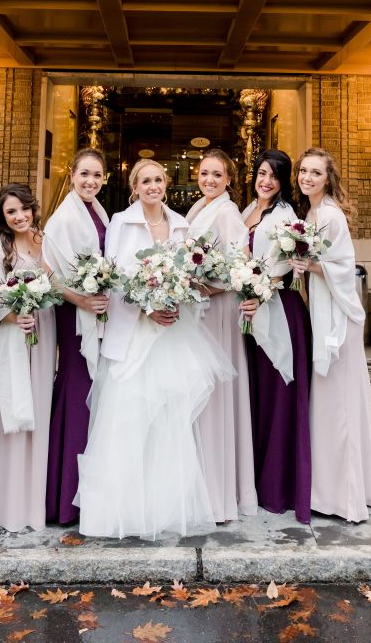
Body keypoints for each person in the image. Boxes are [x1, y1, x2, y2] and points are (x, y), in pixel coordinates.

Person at [77, 159, 234, 540]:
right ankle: (123, 512)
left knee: (169, 423)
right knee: (129, 419)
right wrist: (146, 305)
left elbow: (190, 276)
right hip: (134, 333)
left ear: (167, 184)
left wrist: (176, 300)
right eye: (145, 181)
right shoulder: (120, 222)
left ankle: (163, 509)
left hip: (172, 335)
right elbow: (113, 277)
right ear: (134, 187)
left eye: (158, 180)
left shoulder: (181, 224)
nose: (153, 186)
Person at [292, 147, 371, 523]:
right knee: (328, 405)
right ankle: (330, 489)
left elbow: (344, 268)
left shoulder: (329, 215)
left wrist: (308, 264)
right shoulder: (310, 213)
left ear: (328, 178)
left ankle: (344, 498)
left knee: (338, 404)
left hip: (337, 322)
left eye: (316, 172)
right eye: (303, 171)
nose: (307, 177)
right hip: (322, 314)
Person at [0, 184, 56, 533]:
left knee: (36, 409)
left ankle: (29, 501)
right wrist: (11, 316)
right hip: (4, 340)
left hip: (40, 338)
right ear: (3, 219)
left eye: (24, 210)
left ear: (33, 208)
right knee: (0, 415)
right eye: (11, 213)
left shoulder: (47, 241)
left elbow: (58, 283)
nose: (19, 217)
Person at [241, 149, 312, 524]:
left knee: (276, 399)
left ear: (283, 183)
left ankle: (277, 486)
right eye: (261, 173)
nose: (265, 181)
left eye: (274, 176)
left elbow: (281, 269)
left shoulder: (286, 217)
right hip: (252, 310)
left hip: (278, 311)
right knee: (256, 398)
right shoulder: (247, 209)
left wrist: (255, 293)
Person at [186, 149, 257, 523]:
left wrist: (206, 288)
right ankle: (200, 483)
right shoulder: (200, 208)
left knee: (214, 394)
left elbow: (239, 265)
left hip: (217, 309)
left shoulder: (228, 213)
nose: (209, 180)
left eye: (217, 175)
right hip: (200, 310)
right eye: (204, 173)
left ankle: (217, 493)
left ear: (229, 179)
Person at [42, 147, 110, 524]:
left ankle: (88, 490)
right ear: (72, 176)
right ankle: (64, 497)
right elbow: (49, 271)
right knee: (75, 389)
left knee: (92, 395)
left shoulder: (97, 211)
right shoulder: (63, 218)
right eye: (85, 174)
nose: (91, 181)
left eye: (97, 175)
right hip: (73, 316)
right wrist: (80, 300)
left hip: (94, 314)